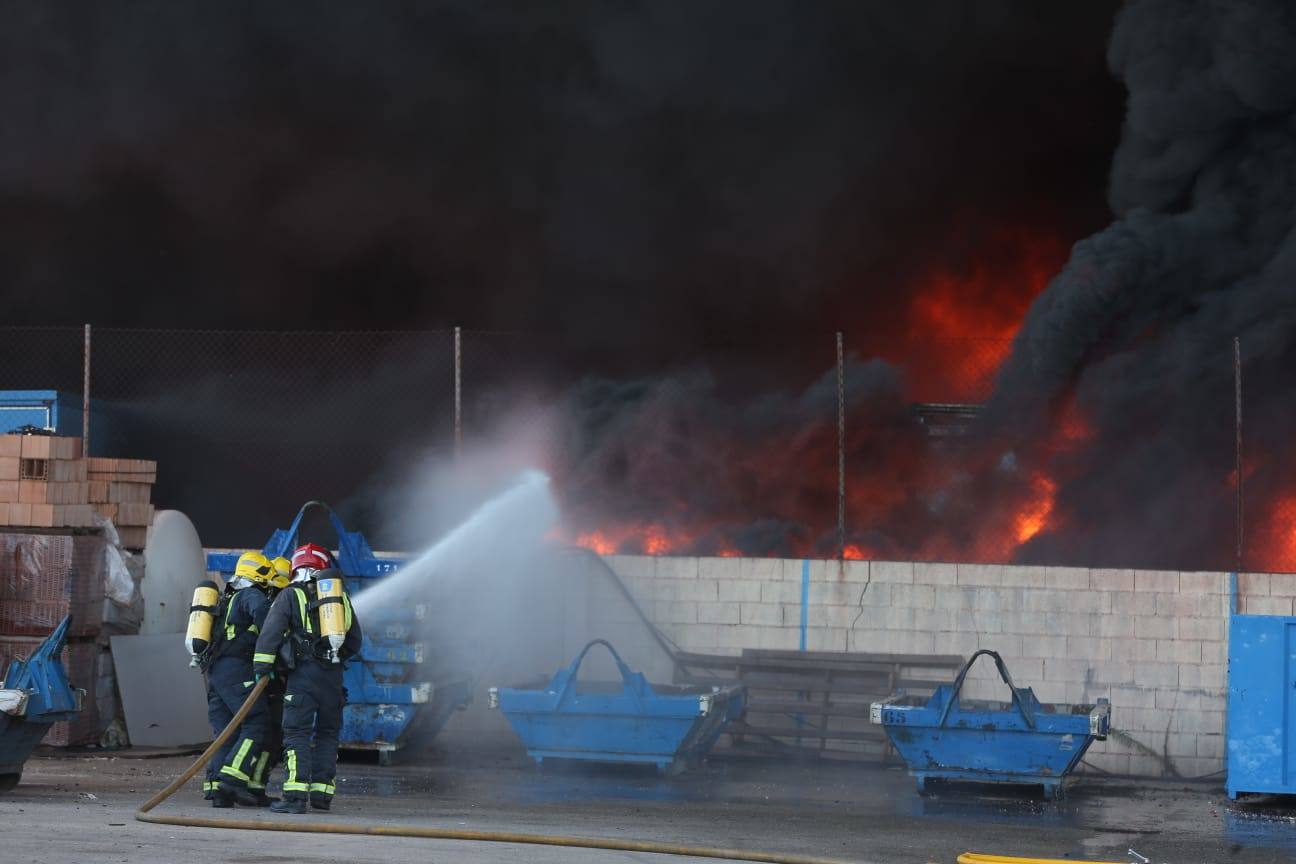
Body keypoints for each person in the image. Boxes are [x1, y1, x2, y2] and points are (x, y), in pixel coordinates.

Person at [253, 543, 362, 814]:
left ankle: (294, 797)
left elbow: (271, 633)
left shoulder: (291, 595)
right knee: (327, 735)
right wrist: (332, 656)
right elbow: (356, 641)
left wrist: (263, 668)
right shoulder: (339, 598)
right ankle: (322, 796)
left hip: (302, 676)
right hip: (333, 678)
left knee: (297, 734)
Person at [202, 551, 275, 808]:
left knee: (226, 732)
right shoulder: (251, 595)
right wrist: (279, 635)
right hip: (237, 670)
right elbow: (266, 617)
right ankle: (232, 779)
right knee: (256, 722)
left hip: (217, 672)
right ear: (259, 574)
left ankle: (217, 790)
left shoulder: (227, 596)